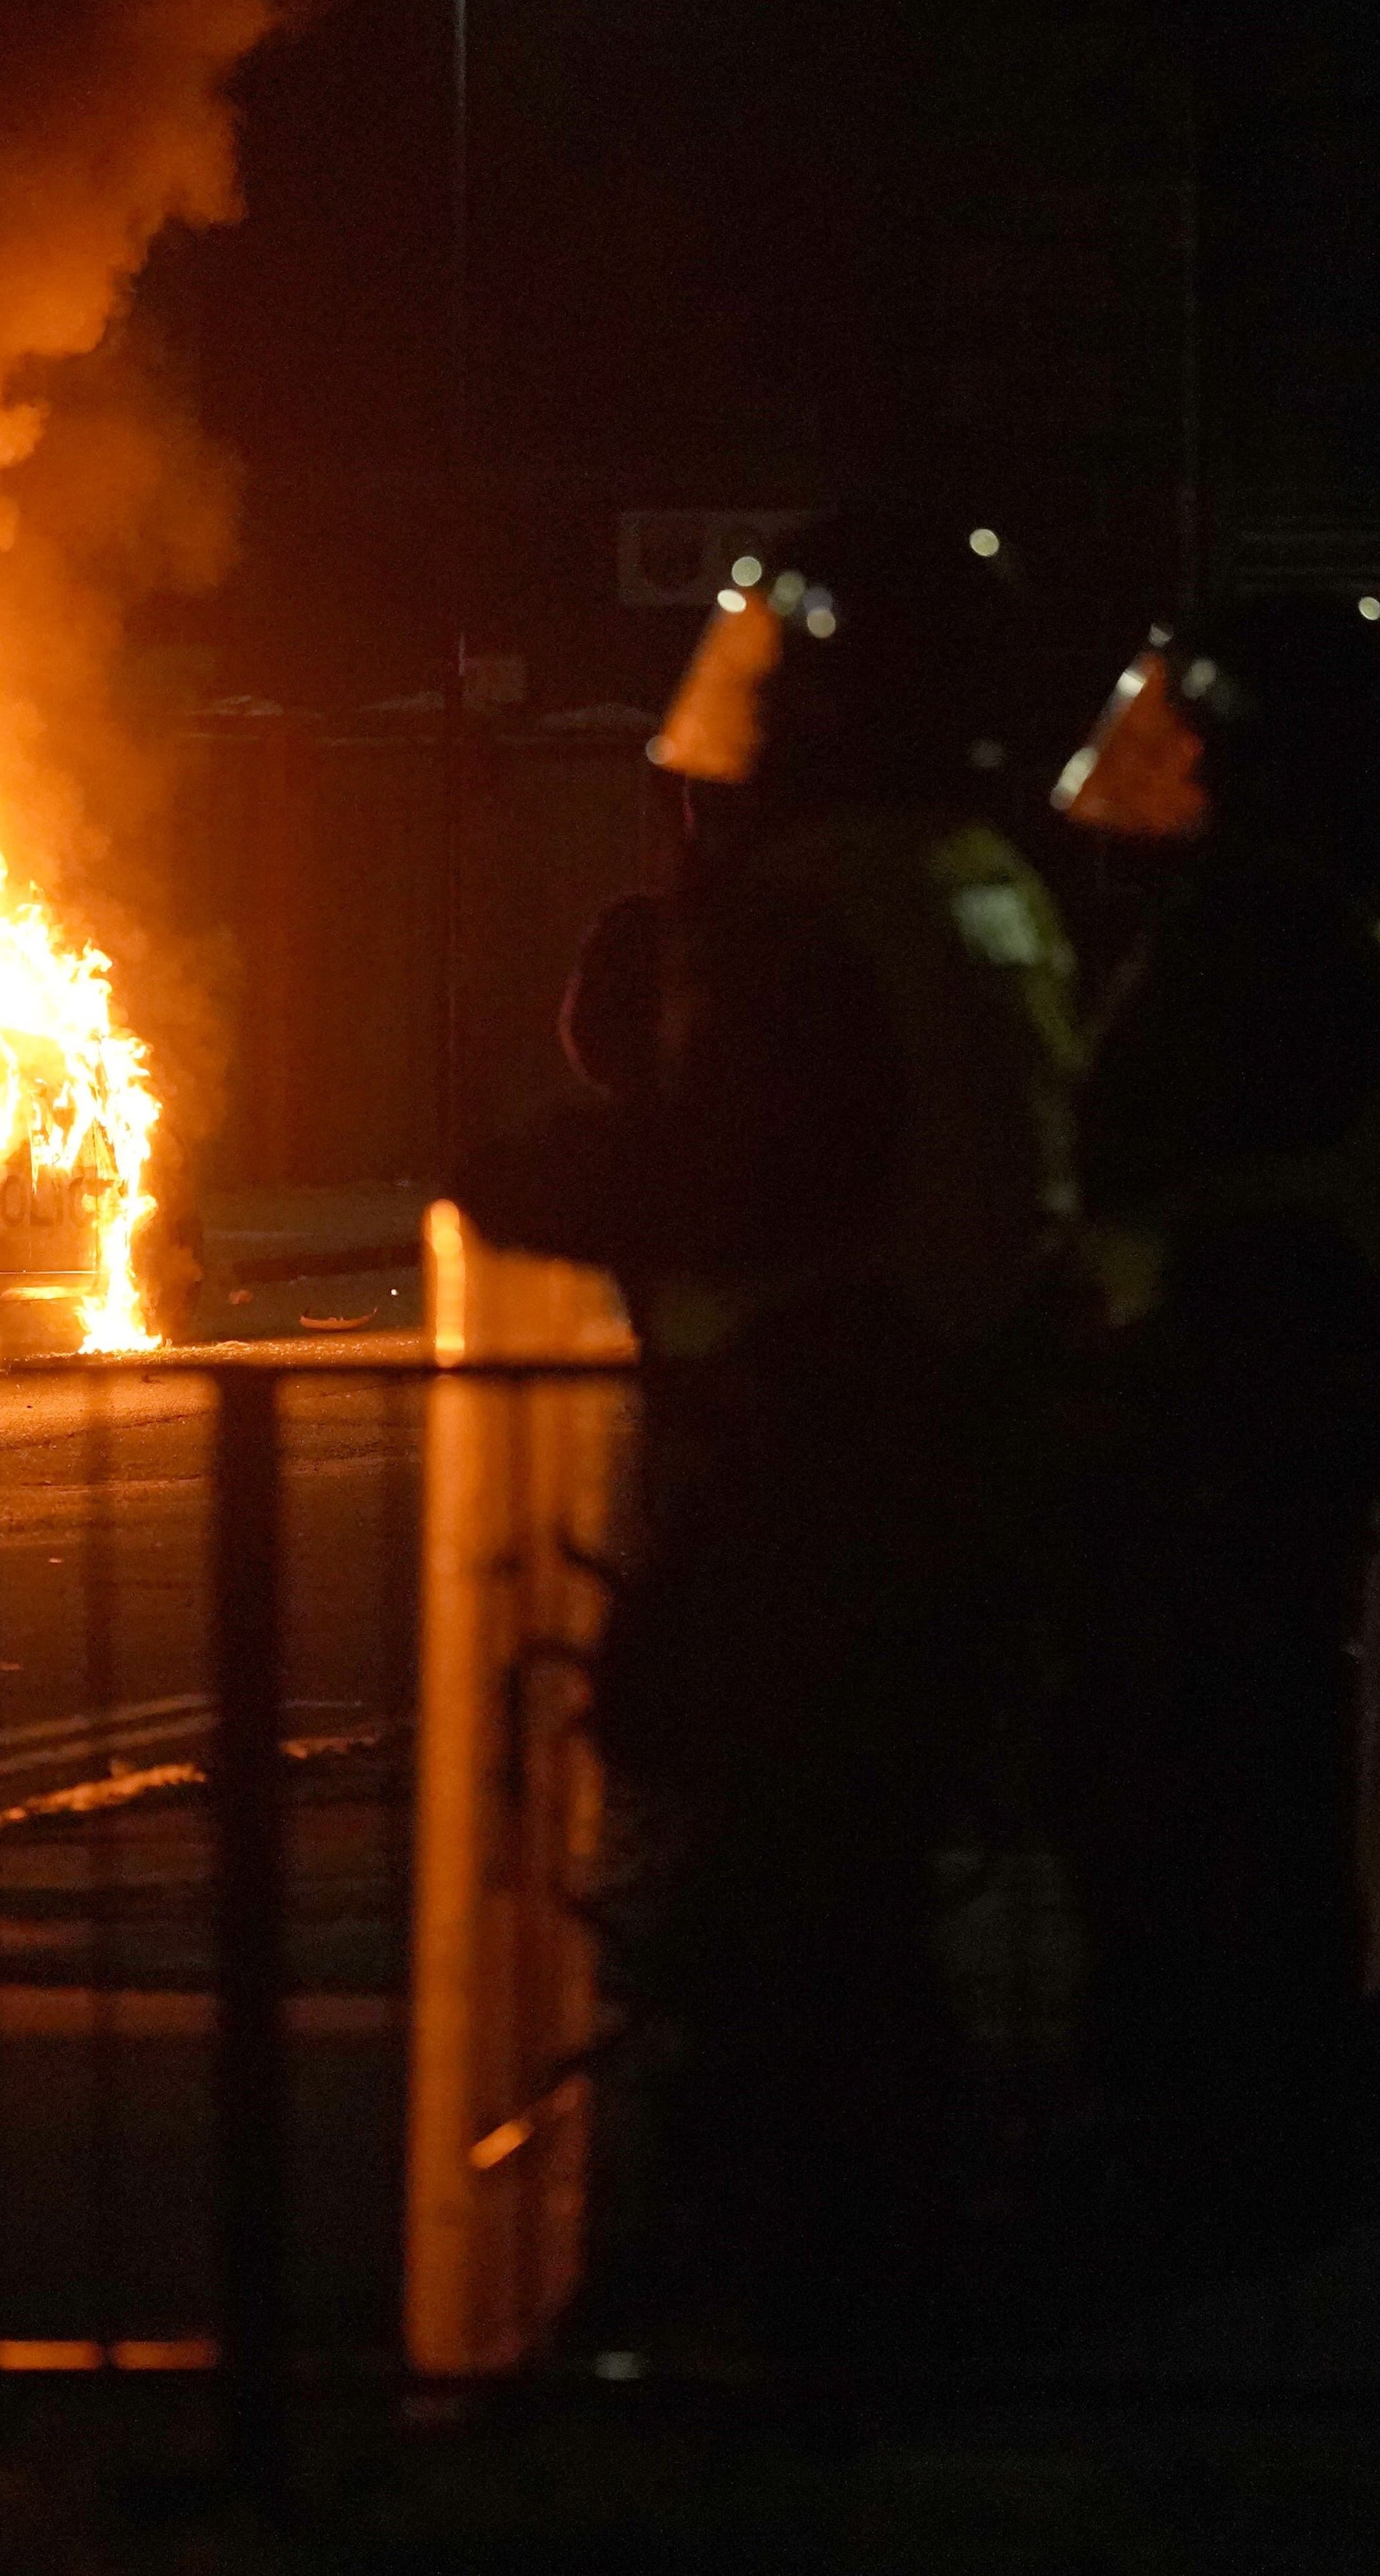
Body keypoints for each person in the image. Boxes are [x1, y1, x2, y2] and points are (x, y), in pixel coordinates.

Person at [458, 510, 1084, 2350]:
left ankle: (776, 2296)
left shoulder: (823, 904)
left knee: (772, 1908)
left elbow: (748, 1172)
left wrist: (534, 1177)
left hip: (833, 1444)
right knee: (851, 1897)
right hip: (955, 1419)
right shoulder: (973, 875)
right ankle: (864, 2269)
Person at [1059, 595, 1380, 2260]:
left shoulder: (1255, 926)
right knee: (1264, 1744)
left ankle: (1213, 2136)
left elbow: (1119, 1132)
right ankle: (1273, 2113)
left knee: (1199, 1758)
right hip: (1296, 1344)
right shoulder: (1341, 900)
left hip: (1234, 1361)